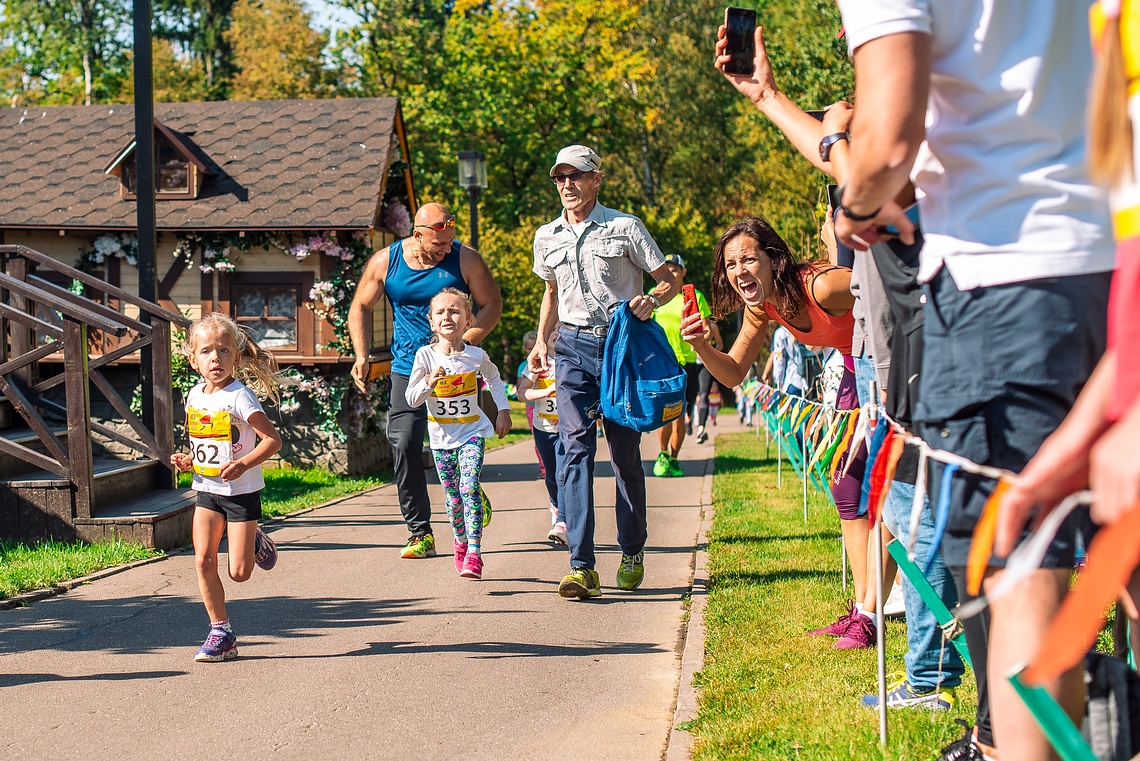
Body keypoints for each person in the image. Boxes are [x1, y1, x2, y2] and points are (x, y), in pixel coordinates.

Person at [833, 2, 1115, 758]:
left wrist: (853, 202)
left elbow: (889, 138)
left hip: (1003, 285)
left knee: (1023, 565)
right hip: (1115, 255)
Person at [716, 21, 965, 709]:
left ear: (772, 258)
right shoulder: (767, 307)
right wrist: (702, 344)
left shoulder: (823, 282)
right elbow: (734, 373)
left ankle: (904, 640)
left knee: (901, 499)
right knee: (869, 492)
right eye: (730, 264)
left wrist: (834, 158)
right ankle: (879, 617)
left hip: (891, 366)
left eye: (748, 259)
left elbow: (867, 291)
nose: (739, 271)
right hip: (878, 369)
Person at [528, 144, 678, 600]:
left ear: (596, 179)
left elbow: (667, 279)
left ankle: (632, 550)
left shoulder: (624, 227)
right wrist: (540, 339)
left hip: (620, 346)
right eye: (560, 178)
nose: (567, 185)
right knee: (572, 450)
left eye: (577, 176)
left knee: (623, 454)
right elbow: (551, 292)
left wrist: (651, 301)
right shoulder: (546, 236)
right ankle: (581, 565)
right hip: (570, 346)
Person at [348, 202, 502, 561]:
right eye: (439, 245)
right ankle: (420, 532)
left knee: (460, 441)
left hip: (456, 369)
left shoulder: (466, 259)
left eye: (450, 242)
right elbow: (361, 306)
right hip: (409, 368)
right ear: (417, 234)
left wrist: (463, 345)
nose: (447, 249)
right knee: (403, 443)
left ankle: (470, 491)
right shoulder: (387, 261)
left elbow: (491, 304)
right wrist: (362, 354)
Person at [170, 312, 289, 663]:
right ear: (193, 360)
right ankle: (221, 631)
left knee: (239, 573)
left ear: (236, 357)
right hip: (207, 490)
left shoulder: (240, 398)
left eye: (223, 351)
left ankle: (256, 538)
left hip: (241, 493)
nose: (215, 358)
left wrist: (243, 464)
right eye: (206, 351)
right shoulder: (194, 396)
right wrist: (190, 459)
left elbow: (273, 441)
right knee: (204, 559)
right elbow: (206, 441)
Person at [406, 288, 511, 580]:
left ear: (467, 321)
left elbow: (494, 378)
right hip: (441, 440)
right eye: (440, 312)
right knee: (453, 498)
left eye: (454, 311)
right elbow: (412, 398)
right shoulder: (424, 356)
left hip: (472, 433)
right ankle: (460, 543)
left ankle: (475, 552)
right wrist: (429, 382)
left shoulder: (476, 356)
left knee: (468, 488)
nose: (447, 316)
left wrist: (503, 410)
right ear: (431, 322)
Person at [650, 253, 714, 477]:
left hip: (686, 363)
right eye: (667, 269)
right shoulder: (654, 295)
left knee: (679, 415)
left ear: (683, 272)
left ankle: (675, 458)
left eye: (675, 269)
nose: (672, 273)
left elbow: (706, 329)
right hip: (660, 363)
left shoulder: (692, 295)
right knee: (663, 413)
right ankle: (662, 454)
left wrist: (699, 340)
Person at [517, 332, 566, 545]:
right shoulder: (538, 362)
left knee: (565, 473)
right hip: (543, 428)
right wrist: (547, 392)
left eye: (562, 327)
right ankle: (556, 507)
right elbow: (521, 393)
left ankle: (563, 522)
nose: (557, 333)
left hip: (569, 429)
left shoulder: (575, 360)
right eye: (552, 329)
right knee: (552, 475)